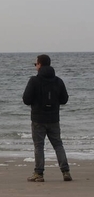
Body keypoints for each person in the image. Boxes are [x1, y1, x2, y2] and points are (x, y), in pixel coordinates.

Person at [22, 54, 72, 182]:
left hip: (38, 118)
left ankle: (39, 173)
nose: (35, 66)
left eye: (36, 64)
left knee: (39, 146)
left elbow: (26, 99)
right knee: (58, 145)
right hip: (54, 118)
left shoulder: (34, 80)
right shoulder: (58, 81)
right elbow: (64, 99)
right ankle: (65, 171)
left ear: (39, 65)